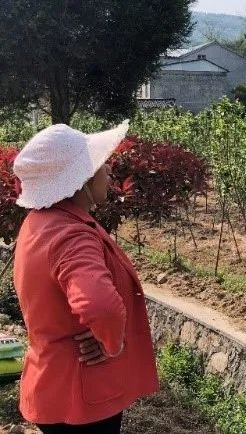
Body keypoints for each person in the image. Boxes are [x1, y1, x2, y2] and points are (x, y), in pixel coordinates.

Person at [12, 121, 158, 434]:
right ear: (81, 179)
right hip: (81, 394)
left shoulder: (41, 222)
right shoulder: (71, 236)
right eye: (100, 163)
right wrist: (112, 342)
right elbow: (100, 305)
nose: (109, 170)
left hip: (53, 383)